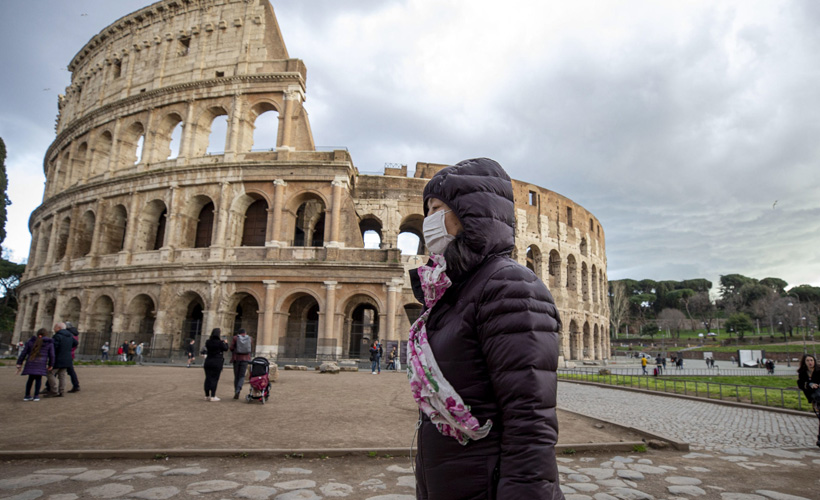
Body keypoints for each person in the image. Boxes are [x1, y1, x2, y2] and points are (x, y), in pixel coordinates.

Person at [407, 158, 563, 499]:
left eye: (436, 209)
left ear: (470, 213)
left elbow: (530, 420)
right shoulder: (454, 291)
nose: (428, 221)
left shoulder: (510, 287)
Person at [15, 328, 55, 401]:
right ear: (46, 334)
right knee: (38, 379)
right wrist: (51, 364)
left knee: (30, 379)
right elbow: (52, 355)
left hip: (31, 362)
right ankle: (36, 395)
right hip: (41, 363)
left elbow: (24, 353)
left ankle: (27, 395)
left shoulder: (31, 342)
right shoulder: (49, 343)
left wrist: (19, 363)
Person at [46, 322, 78, 397]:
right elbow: (75, 343)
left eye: (55, 327)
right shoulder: (70, 335)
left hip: (58, 357)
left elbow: (54, 348)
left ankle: (54, 390)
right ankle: (61, 391)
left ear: (59, 328)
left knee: (49, 373)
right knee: (62, 375)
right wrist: (68, 348)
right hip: (67, 358)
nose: (54, 329)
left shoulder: (57, 336)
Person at [796, 354, 820, 448]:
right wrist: (809, 384)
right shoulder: (803, 373)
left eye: (812, 360)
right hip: (815, 399)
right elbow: (800, 384)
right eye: (808, 360)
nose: (810, 362)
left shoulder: (819, 371)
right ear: (804, 362)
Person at [202, 328, 229, 401]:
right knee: (215, 379)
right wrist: (225, 342)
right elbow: (226, 349)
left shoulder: (208, 342)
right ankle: (213, 396)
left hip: (208, 361)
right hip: (217, 361)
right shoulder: (220, 343)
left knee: (208, 378)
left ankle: (207, 395)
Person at [230, 328, 253, 399]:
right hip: (245, 359)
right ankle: (238, 389)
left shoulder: (235, 338)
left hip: (236, 358)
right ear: (245, 333)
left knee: (236, 376)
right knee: (242, 376)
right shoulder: (250, 338)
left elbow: (231, 348)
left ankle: (236, 391)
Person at [64, 321, 81, 393]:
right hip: (70, 354)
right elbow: (75, 344)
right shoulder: (75, 334)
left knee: (53, 371)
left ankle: (49, 387)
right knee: (71, 371)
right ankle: (76, 385)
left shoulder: (68, 334)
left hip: (64, 354)